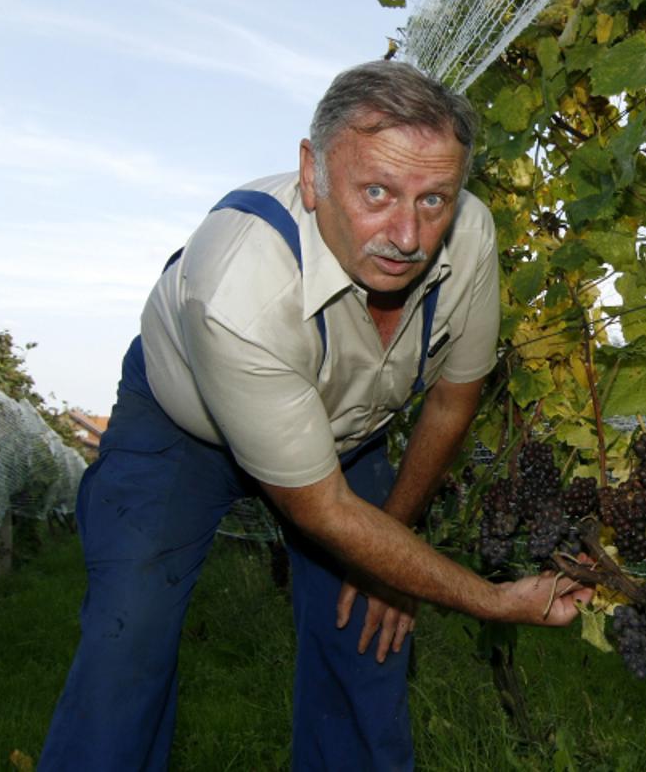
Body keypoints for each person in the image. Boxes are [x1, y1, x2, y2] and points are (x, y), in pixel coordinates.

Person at [39, 60, 591, 771]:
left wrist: (392, 557)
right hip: (183, 429)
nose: (407, 235)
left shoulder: (472, 235)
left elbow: (454, 398)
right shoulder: (239, 284)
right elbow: (323, 509)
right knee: (128, 636)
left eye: (433, 200)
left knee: (370, 632)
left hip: (348, 436)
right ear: (312, 172)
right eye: (376, 192)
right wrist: (488, 598)